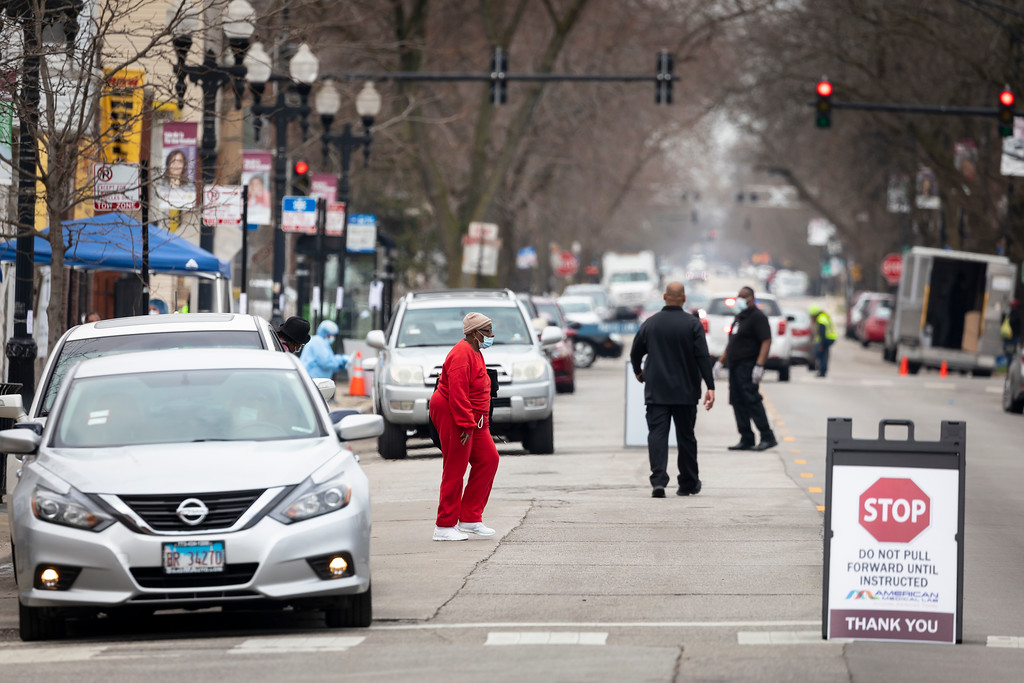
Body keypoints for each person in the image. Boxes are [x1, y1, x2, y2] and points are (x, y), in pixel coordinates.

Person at [629, 281, 715, 498]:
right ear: (684, 299)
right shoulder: (693, 324)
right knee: (686, 436)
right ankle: (688, 483)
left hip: (657, 392)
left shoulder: (651, 324)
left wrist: (639, 372)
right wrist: (710, 386)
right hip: (686, 392)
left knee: (657, 435)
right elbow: (703, 357)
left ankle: (658, 481)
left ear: (665, 297)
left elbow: (635, 352)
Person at [428, 312, 500, 541]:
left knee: (489, 459)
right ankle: (444, 526)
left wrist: (481, 423)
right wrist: (467, 426)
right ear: (474, 333)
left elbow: (478, 391)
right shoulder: (461, 354)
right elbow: (458, 395)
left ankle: (470, 518)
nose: (491, 334)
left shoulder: (475, 351)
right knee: (455, 467)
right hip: (453, 412)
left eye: (491, 330)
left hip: (473, 418)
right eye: (487, 331)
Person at [714, 286, 777, 451]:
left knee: (752, 400)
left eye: (742, 297)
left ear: (750, 298)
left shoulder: (758, 317)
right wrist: (720, 361)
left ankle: (767, 436)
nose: (739, 299)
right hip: (735, 366)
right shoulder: (740, 317)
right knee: (737, 401)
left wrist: (760, 365)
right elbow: (733, 342)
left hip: (748, 365)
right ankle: (746, 437)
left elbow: (766, 340)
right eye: (738, 296)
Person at [809, 304, 837, 377]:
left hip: (827, 339)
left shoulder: (821, 320)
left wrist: (821, 345)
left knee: (821, 355)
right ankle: (822, 371)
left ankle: (822, 372)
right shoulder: (823, 316)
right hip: (830, 338)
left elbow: (822, 333)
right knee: (823, 354)